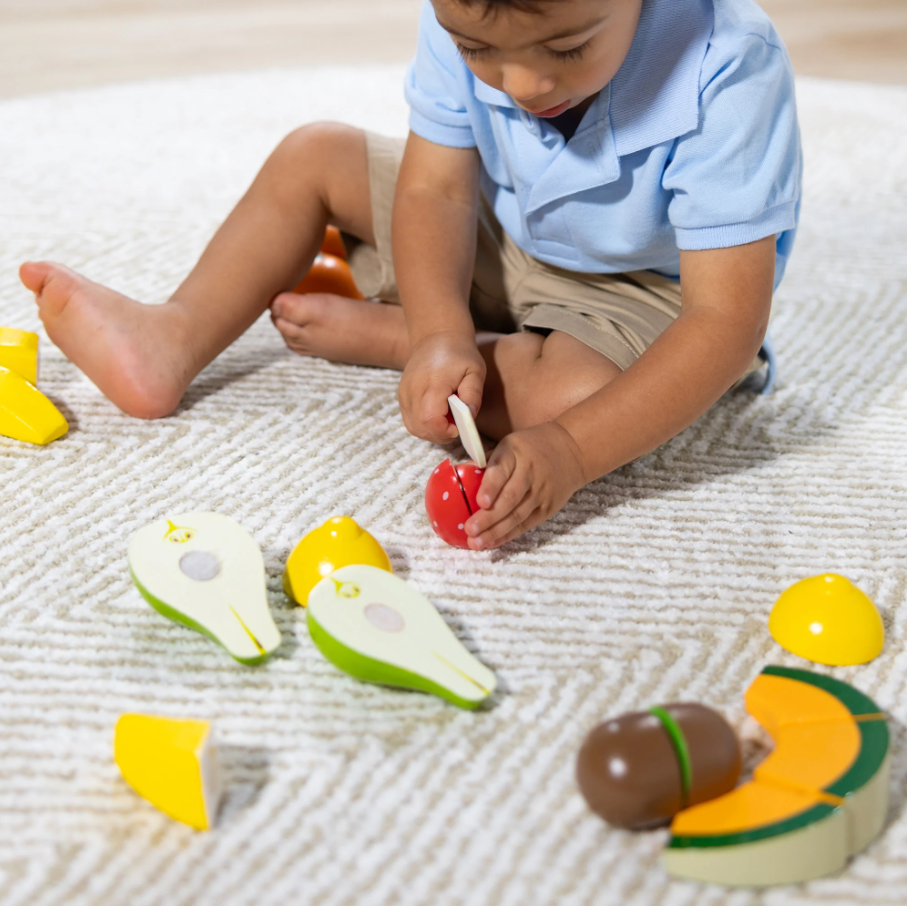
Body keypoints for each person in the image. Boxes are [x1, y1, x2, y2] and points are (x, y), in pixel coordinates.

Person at [19, 0, 801, 551]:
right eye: (476, 51)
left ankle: (400, 341)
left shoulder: (727, 65)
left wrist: (568, 451)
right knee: (315, 153)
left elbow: (724, 325)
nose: (520, 86)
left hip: (644, 290)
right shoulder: (462, 13)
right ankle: (173, 334)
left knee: (577, 403)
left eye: (565, 48)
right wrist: (439, 329)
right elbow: (435, 189)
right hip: (501, 226)